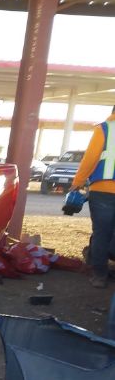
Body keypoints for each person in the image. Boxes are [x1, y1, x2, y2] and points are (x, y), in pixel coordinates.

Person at [70, 105, 115, 288]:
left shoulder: (104, 128)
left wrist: (78, 181)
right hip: (102, 192)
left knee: (101, 234)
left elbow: (91, 158)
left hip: (102, 191)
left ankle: (99, 276)